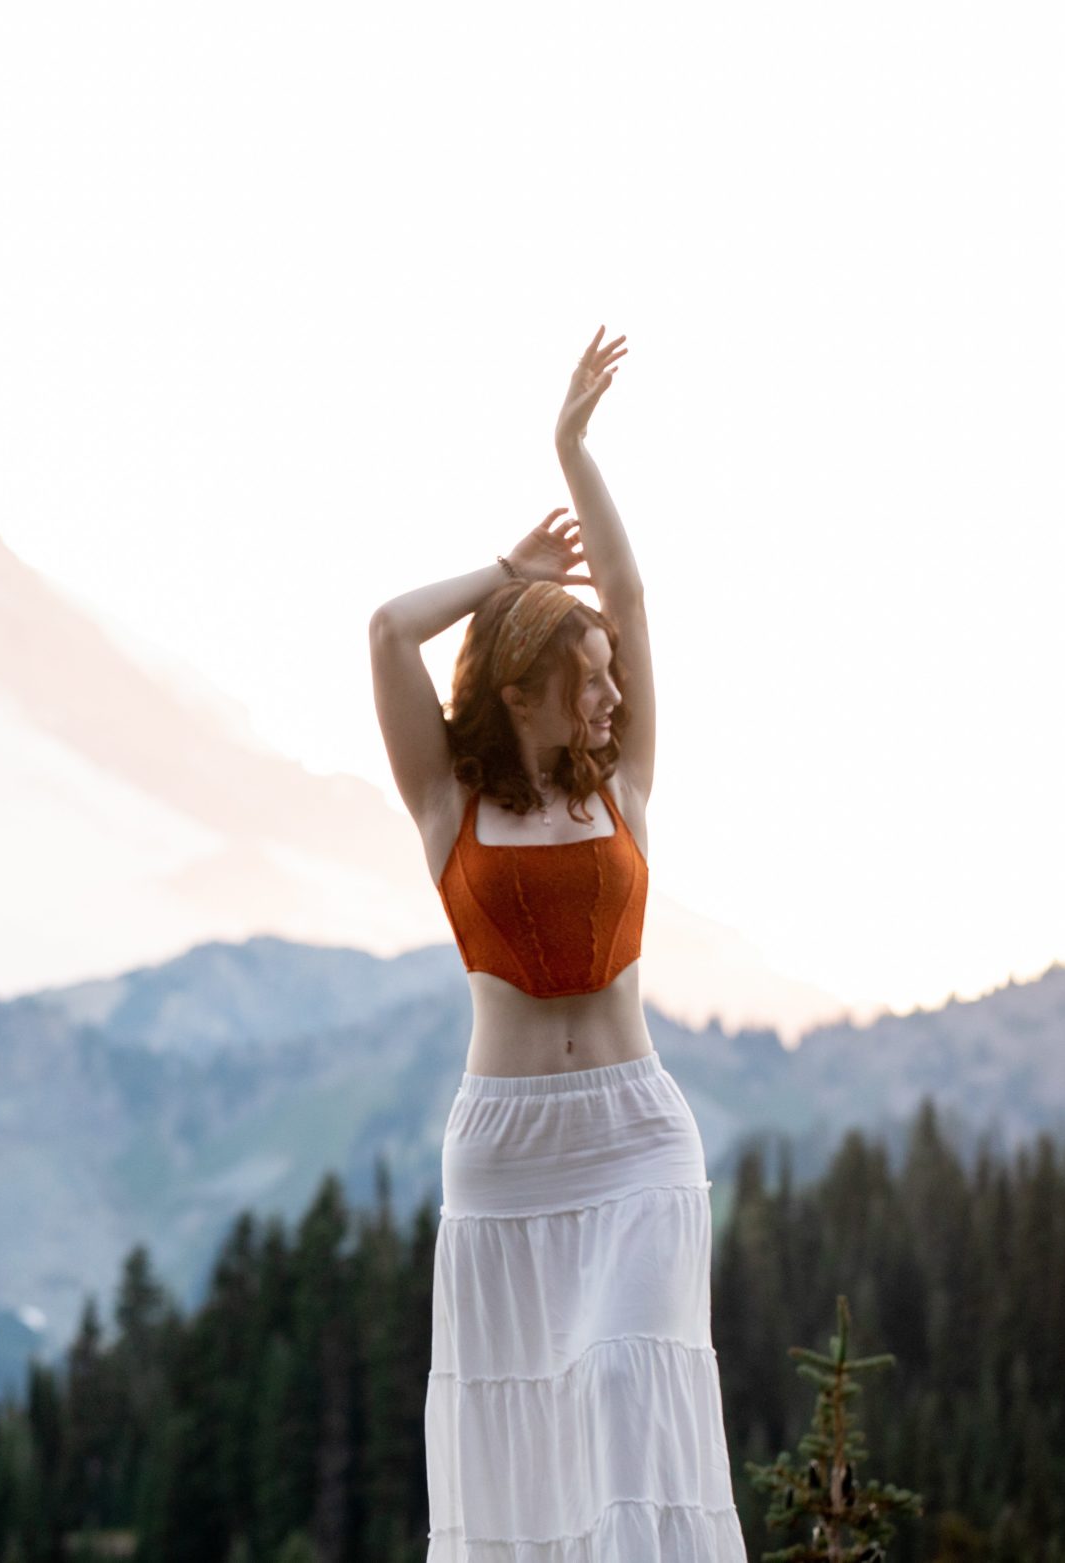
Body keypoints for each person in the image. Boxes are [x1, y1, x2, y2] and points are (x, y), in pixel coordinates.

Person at [366, 328, 748, 1560]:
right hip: (504, 1155)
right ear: (519, 687)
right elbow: (385, 632)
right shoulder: (450, 811)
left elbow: (628, 600)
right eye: (581, 674)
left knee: (630, 1396)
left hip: (635, 1138)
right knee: (522, 1446)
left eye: (607, 675)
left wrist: (570, 448)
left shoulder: (622, 792)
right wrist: (505, 574)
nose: (608, 692)